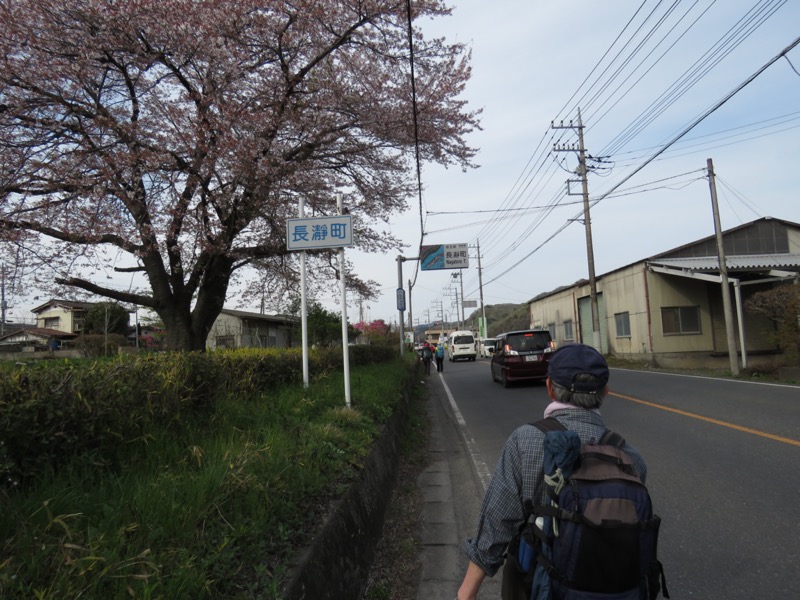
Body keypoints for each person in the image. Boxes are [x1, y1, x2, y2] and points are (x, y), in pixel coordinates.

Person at [456, 343, 647, 600]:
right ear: (605, 393)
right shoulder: (630, 458)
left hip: (538, 588)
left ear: (549, 388)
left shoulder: (525, 441)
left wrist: (466, 593)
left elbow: (497, 522)